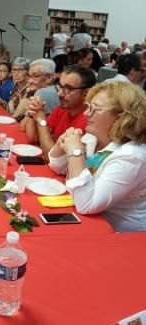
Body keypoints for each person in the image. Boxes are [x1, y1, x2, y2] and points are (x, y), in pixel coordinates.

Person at [48, 81, 146, 232]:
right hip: (93, 219)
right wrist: (61, 145)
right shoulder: (93, 138)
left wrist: (75, 152)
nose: (86, 113)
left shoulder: (132, 156)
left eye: (94, 109)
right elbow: (57, 167)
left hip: (122, 235)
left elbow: (87, 204)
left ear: (121, 116)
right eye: (88, 107)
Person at [22, 65, 96, 159]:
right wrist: (33, 111)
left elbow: (52, 158)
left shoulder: (89, 120)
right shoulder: (62, 108)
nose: (59, 94)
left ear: (86, 93)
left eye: (68, 89)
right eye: (60, 87)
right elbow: (33, 137)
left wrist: (41, 120)